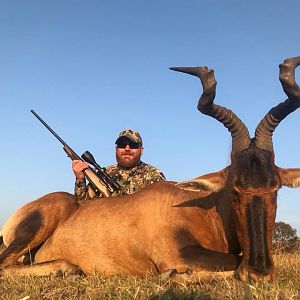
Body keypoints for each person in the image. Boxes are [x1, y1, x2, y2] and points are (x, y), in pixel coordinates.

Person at [72, 129, 166, 201]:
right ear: (116, 149)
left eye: (133, 145)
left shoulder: (154, 175)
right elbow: (82, 207)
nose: (127, 149)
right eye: (122, 145)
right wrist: (80, 179)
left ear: (141, 150)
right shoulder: (102, 175)